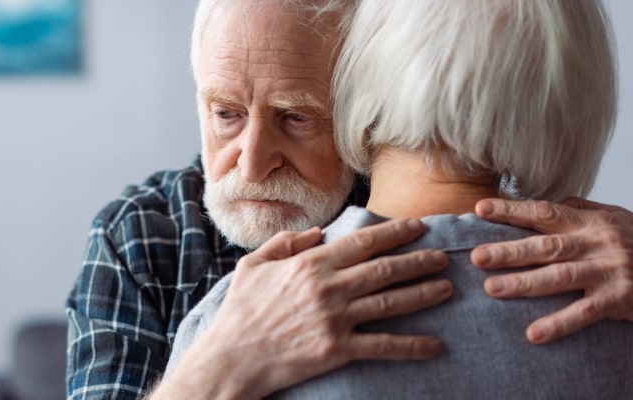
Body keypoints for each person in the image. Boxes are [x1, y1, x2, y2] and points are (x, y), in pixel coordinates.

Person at [65, 0, 633, 398]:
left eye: (297, 117)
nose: (252, 162)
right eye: (225, 114)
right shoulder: (140, 232)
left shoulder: (411, 185)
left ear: (363, 100)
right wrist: (220, 364)